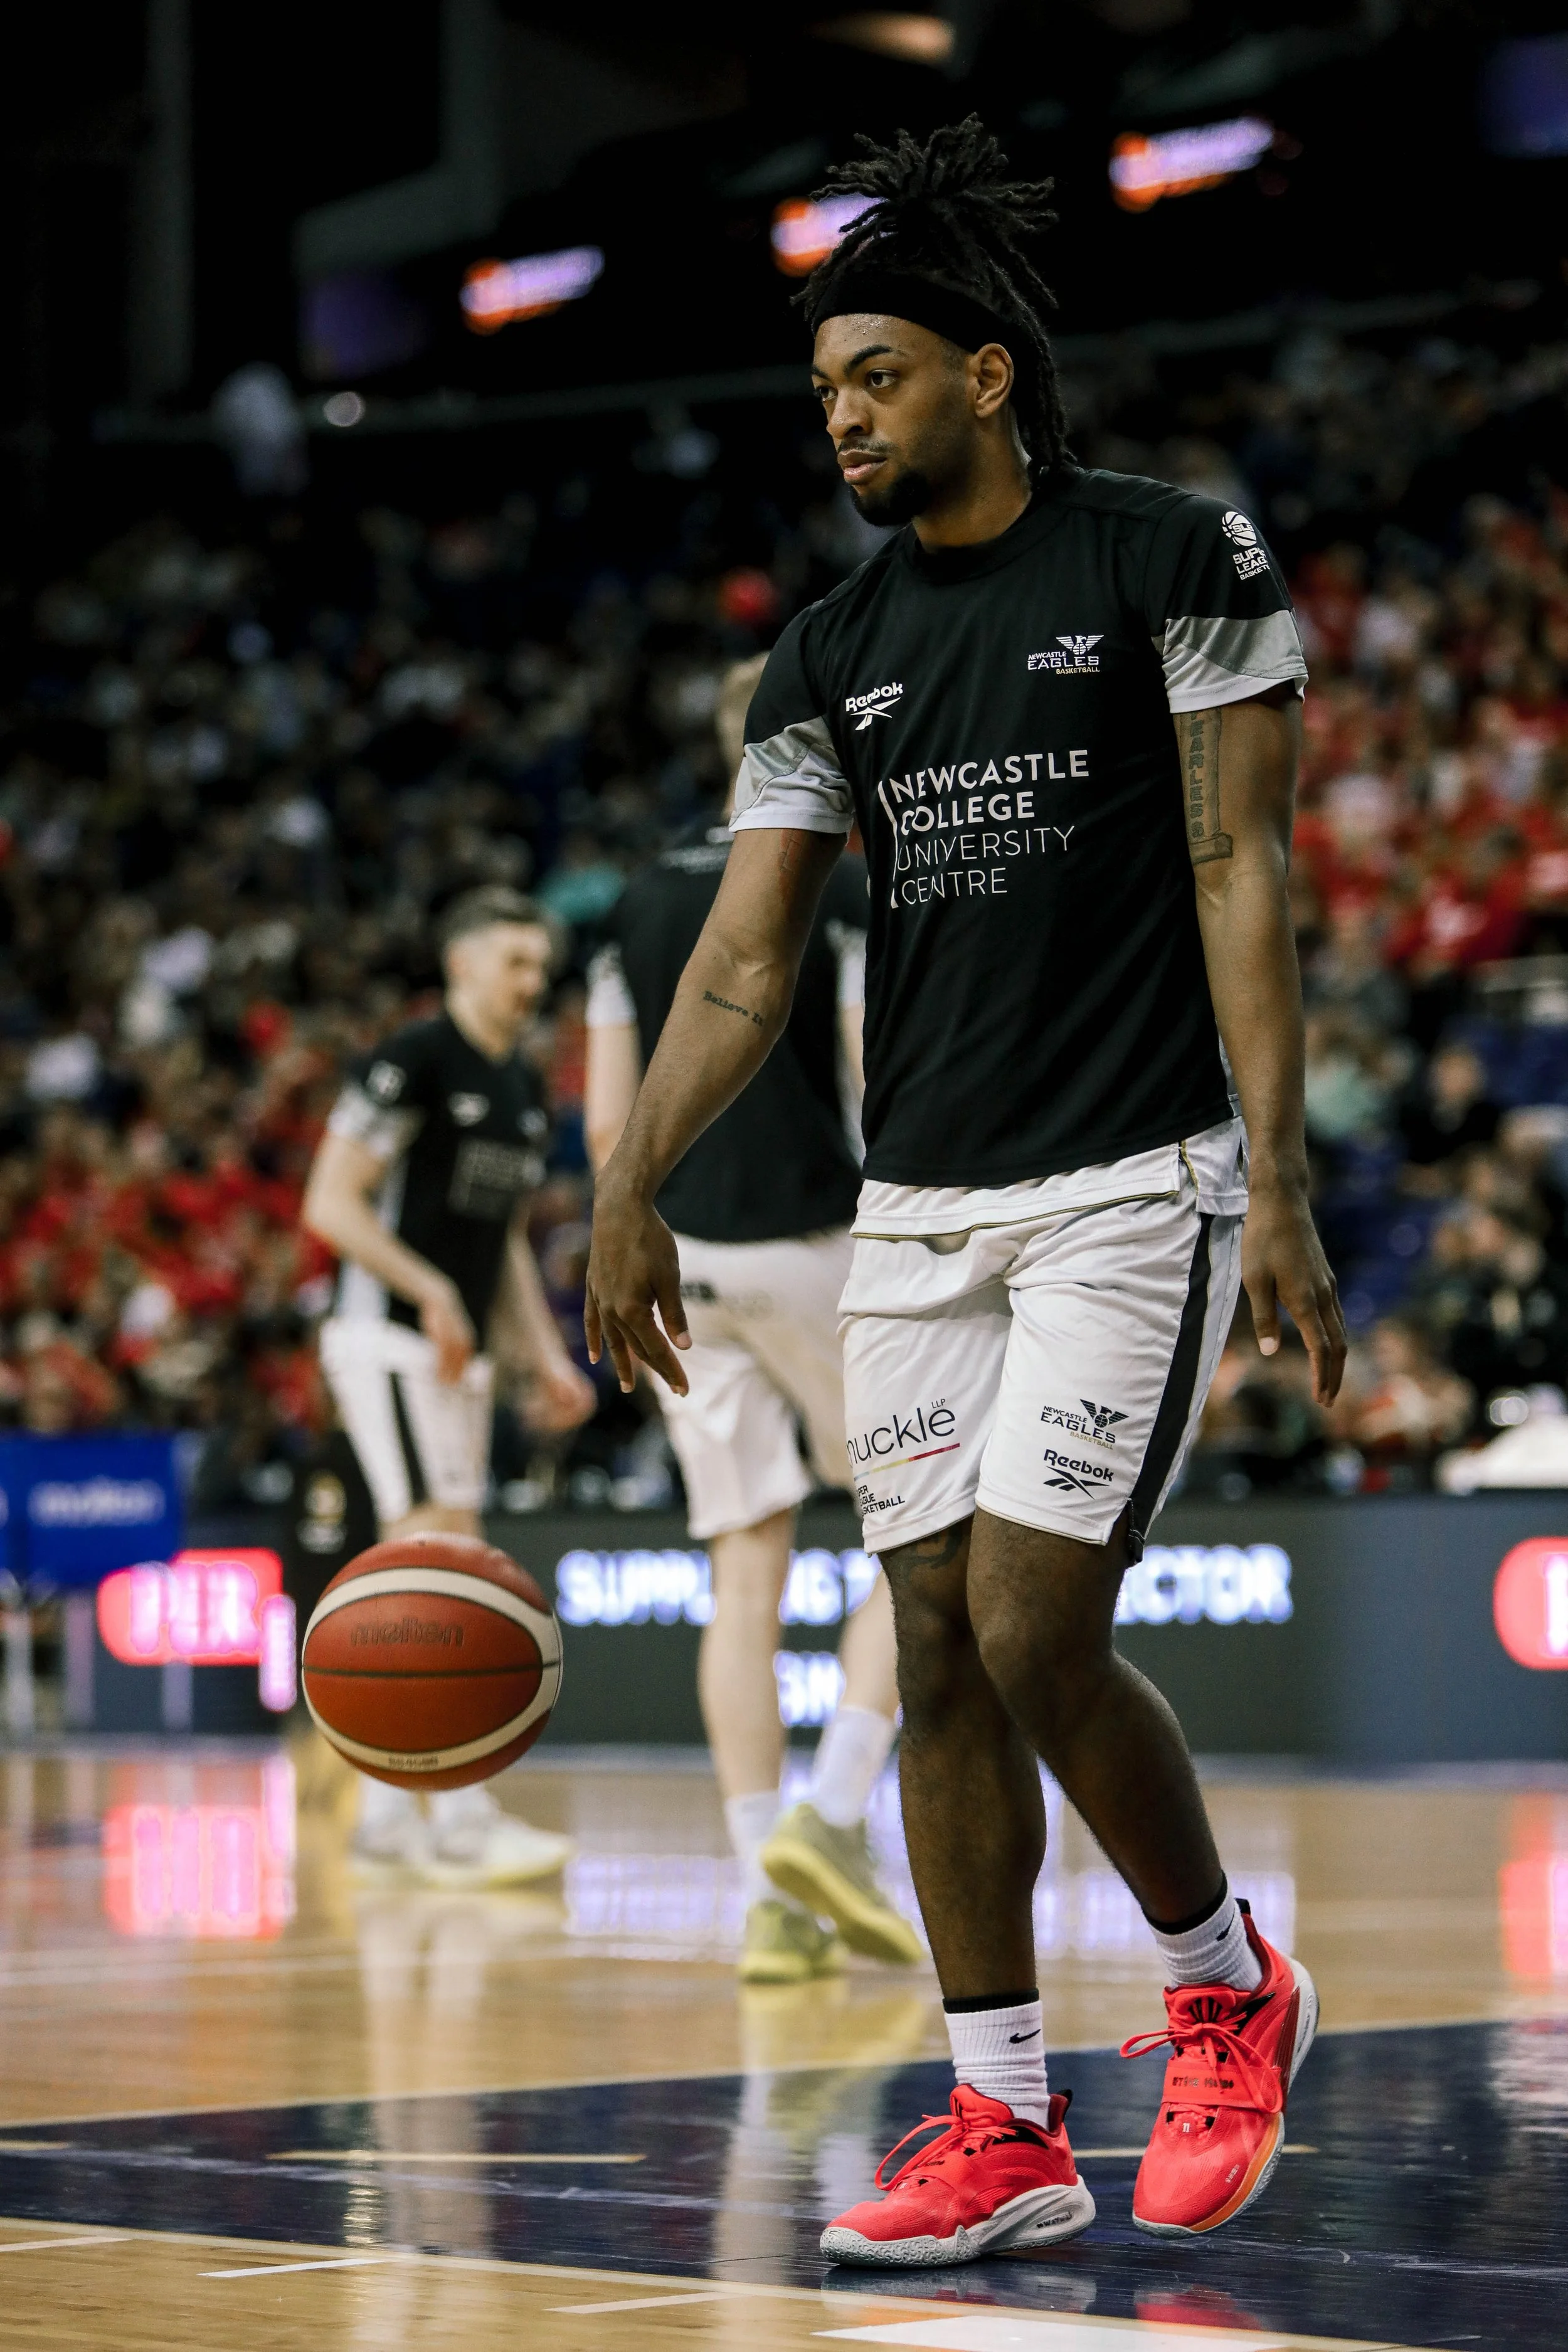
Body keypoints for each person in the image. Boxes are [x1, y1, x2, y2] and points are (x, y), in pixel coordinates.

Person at [584, 118, 1345, 2262]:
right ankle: (1001, 2118)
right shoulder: (830, 652)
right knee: (928, 1648)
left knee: (1029, 1622)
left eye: (880, 378)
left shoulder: (1172, 558)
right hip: (916, 1203)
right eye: (827, 390)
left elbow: (1240, 865)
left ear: (986, 376)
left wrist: (1275, 1179)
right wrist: (629, 1180)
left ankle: (1222, 1981)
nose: (844, 417)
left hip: (1135, 1181)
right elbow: (745, 959)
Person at [584, 654, 921, 1984]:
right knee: (915, 1529)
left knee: (743, 1574)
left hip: (676, 1256)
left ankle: (763, 1899)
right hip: (811, 1239)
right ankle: (832, 1818)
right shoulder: (832, 878)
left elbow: (613, 1117)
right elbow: (865, 1071)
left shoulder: (630, 901)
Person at [303, 885, 596, 1887]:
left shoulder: (522, 1083)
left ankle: (391, 1819)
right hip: (385, 1338)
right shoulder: (410, 1059)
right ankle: (460, 1821)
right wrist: (429, 1290)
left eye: (539, 966)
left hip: (457, 1352)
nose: (533, 983)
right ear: (461, 962)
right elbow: (329, 1204)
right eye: (515, 962)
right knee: (439, 1557)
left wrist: (546, 1357)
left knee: (446, 1553)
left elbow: (506, 1239)